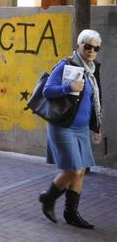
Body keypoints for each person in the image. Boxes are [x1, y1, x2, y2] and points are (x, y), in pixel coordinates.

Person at [38, 29, 102, 229]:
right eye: (88, 46)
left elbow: (93, 102)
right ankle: (48, 197)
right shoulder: (66, 65)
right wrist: (69, 87)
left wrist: (95, 127)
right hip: (63, 126)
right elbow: (47, 90)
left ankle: (71, 213)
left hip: (82, 128)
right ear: (78, 47)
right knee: (74, 169)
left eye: (95, 48)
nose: (91, 51)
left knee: (80, 172)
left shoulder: (92, 70)